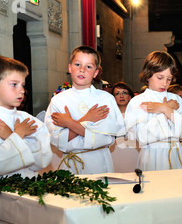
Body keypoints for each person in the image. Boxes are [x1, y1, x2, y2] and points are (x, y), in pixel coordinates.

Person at [0, 55, 52, 182]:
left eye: (22, 85)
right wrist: (18, 135)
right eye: (14, 84)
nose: (22, 90)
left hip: (30, 188)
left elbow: (43, 159)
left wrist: (10, 135)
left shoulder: (27, 119)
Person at [44, 46, 124, 175]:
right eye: (77, 64)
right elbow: (56, 139)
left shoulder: (105, 99)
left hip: (98, 161)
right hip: (70, 162)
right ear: (70, 68)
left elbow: (105, 137)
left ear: (96, 73)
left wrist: (69, 123)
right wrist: (87, 119)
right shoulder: (58, 100)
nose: (82, 70)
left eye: (88, 67)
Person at [124, 51, 182, 171]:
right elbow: (141, 137)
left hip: (176, 154)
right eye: (160, 77)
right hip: (152, 156)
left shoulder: (176, 100)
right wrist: (166, 111)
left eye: (169, 79)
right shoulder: (138, 102)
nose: (165, 83)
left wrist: (165, 109)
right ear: (148, 75)